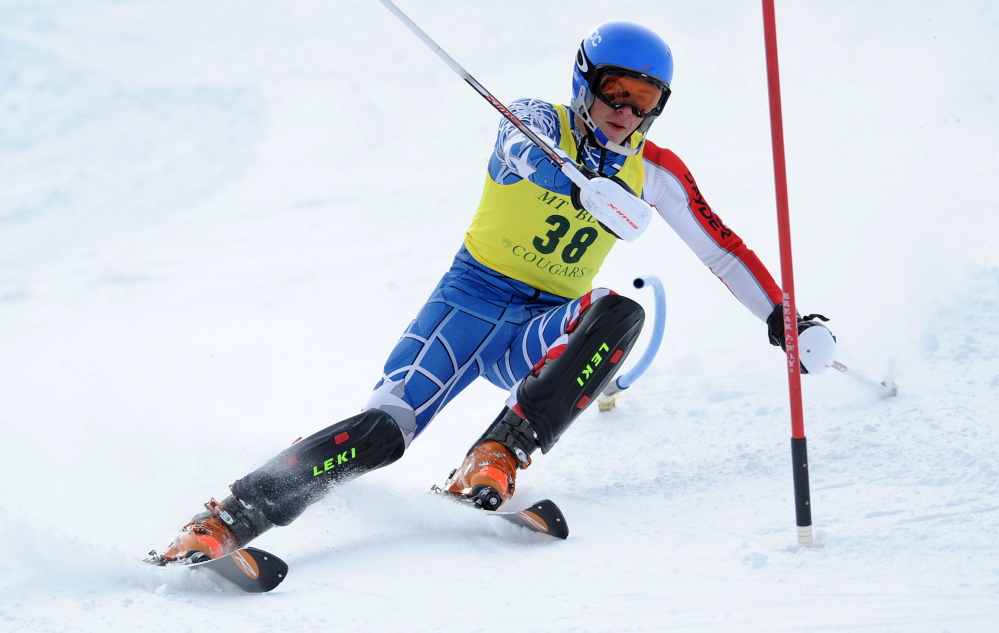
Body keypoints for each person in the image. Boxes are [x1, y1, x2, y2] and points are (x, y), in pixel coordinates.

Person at [149, 20, 833, 563]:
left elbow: (721, 247)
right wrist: (572, 179)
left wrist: (783, 318)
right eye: (614, 91)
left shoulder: (654, 171)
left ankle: (497, 451)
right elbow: (516, 148)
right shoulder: (538, 119)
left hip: (540, 326)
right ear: (584, 82)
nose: (624, 112)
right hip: (464, 307)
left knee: (619, 311)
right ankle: (227, 516)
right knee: (384, 431)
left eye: (644, 100)